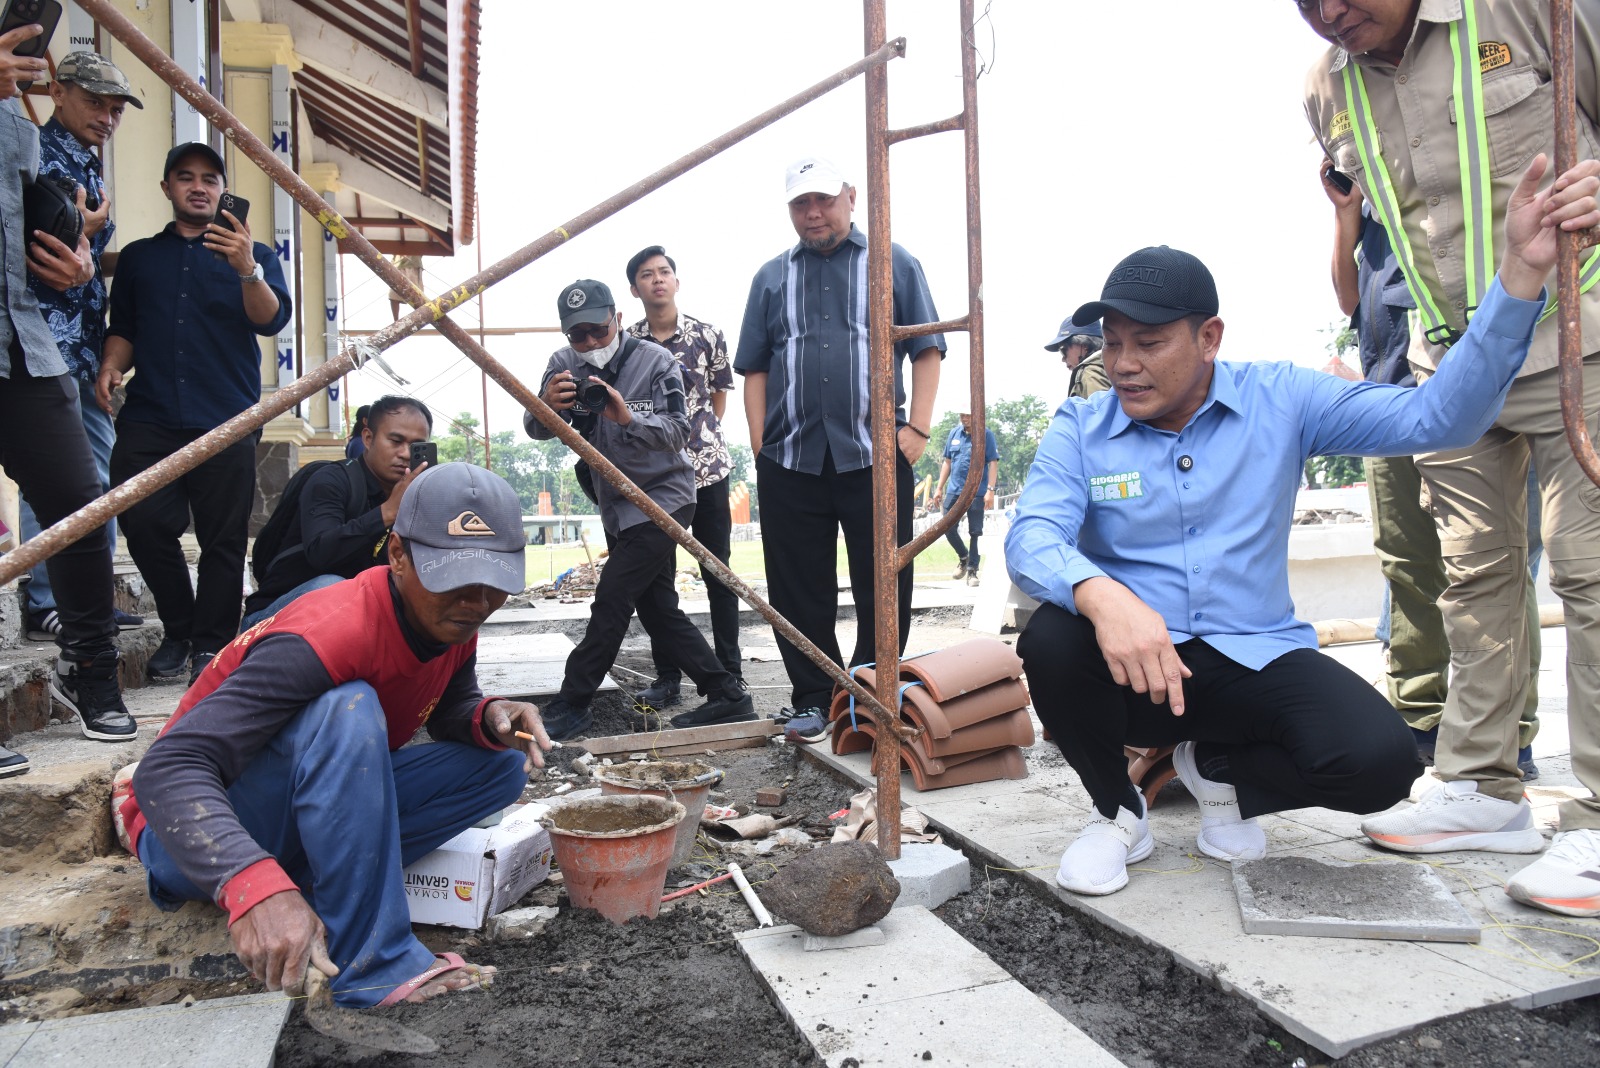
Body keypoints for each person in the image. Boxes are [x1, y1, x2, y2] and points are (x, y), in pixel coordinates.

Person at [1007, 167, 1590, 897]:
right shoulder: (1082, 426)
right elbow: (1031, 538)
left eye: (1148, 342)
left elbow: (1437, 419)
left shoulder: (1282, 399)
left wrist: (1519, 277)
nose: (1122, 365)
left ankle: (1219, 773)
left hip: (1249, 656)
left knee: (1381, 764)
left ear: (1209, 336)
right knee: (1053, 639)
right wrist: (1101, 594)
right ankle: (1119, 813)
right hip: (1134, 665)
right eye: (1111, 342)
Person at [1300, 0, 1600, 917]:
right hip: (1452, 369)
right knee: (1469, 576)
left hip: (1579, 335)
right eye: (1305, 2)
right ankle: (1480, 786)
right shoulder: (1326, 89)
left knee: (1591, 571)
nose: (1331, 12)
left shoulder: (1532, 10)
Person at [119, 463, 547, 1007]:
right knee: (349, 708)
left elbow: (446, 704)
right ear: (397, 555)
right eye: (454, 578)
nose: (477, 601)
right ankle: (373, 966)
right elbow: (168, 768)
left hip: (296, 812)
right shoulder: (328, 633)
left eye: (494, 582)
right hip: (191, 835)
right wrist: (252, 884)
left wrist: (489, 715)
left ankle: (320, 886)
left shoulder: (449, 618)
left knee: (501, 765)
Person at [1322, 160, 1544, 781]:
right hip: (1389, 394)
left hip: (1479, 396)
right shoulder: (1372, 215)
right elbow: (1349, 299)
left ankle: (1512, 733)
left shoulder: (1463, 185)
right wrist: (1346, 215)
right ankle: (1419, 717)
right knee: (1406, 563)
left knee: (1497, 564)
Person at [735, 156, 944, 742]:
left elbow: (927, 349)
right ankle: (812, 694)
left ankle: (870, 692)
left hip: (876, 455)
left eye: (824, 199)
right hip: (791, 456)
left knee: (884, 576)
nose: (814, 213)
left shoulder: (894, 264)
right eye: (802, 203)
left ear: (850, 197)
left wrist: (918, 431)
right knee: (797, 582)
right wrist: (759, 444)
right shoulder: (771, 277)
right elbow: (754, 367)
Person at [98, 142, 292, 686]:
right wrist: (112, 366)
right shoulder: (139, 257)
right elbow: (126, 328)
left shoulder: (254, 255)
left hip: (225, 418)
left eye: (210, 178)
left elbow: (271, 321)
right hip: (150, 415)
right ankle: (179, 629)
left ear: (222, 188)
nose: (199, 187)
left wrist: (246, 267)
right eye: (186, 177)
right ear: (167, 188)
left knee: (222, 539)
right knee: (142, 523)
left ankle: (211, 645)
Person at [527, 279, 752, 739]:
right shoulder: (561, 366)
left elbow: (677, 433)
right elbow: (536, 429)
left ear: (619, 320)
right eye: (578, 335)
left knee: (611, 599)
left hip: (661, 499)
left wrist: (625, 416)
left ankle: (573, 701)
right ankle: (728, 695)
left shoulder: (657, 361)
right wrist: (545, 407)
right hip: (614, 502)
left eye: (597, 330)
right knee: (656, 608)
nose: (589, 343)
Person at [0, 27, 137, 778]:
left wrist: (81, 262)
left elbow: (29, 226)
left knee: (83, 512)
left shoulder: (24, 126)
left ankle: (94, 674)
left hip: (30, 343)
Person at [16, 52, 144, 642]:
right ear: (58, 91)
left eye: (116, 109)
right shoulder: (32, 154)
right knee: (54, 476)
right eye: (96, 103)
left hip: (84, 345)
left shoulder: (85, 163)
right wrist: (83, 237)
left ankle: (84, 598)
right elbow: (35, 256)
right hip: (40, 342)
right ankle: (44, 599)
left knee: (95, 475)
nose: (107, 117)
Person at [623, 245, 744, 712]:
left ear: (676, 281)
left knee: (719, 574)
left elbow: (718, 396)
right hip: (651, 477)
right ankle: (667, 675)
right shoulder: (627, 343)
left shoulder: (707, 335)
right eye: (647, 275)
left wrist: (696, 439)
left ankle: (729, 673)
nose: (658, 280)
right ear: (634, 289)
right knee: (658, 580)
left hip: (707, 470)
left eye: (665, 272)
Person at [242, 395, 433, 628]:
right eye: (395, 441)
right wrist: (387, 512)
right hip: (273, 619)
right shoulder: (332, 480)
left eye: (416, 446)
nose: (405, 453)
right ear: (368, 438)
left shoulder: (416, 495)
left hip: (352, 625)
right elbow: (321, 553)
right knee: (331, 586)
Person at [933, 409, 999, 587]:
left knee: (975, 532)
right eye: (962, 415)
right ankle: (964, 556)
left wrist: (990, 490)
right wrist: (939, 488)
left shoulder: (986, 435)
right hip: (955, 490)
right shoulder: (954, 433)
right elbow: (948, 461)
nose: (965, 418)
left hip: (977, 490)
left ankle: (972, 571)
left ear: (976, 414)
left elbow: (993, 462)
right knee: (946, 526)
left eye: (968, 415)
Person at [1045, 319, 1110, 399]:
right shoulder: (1108, 368)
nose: (1063, 359)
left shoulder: (1091, 373)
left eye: (1063, 350)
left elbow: (1102, 410)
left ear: (1084, 345)